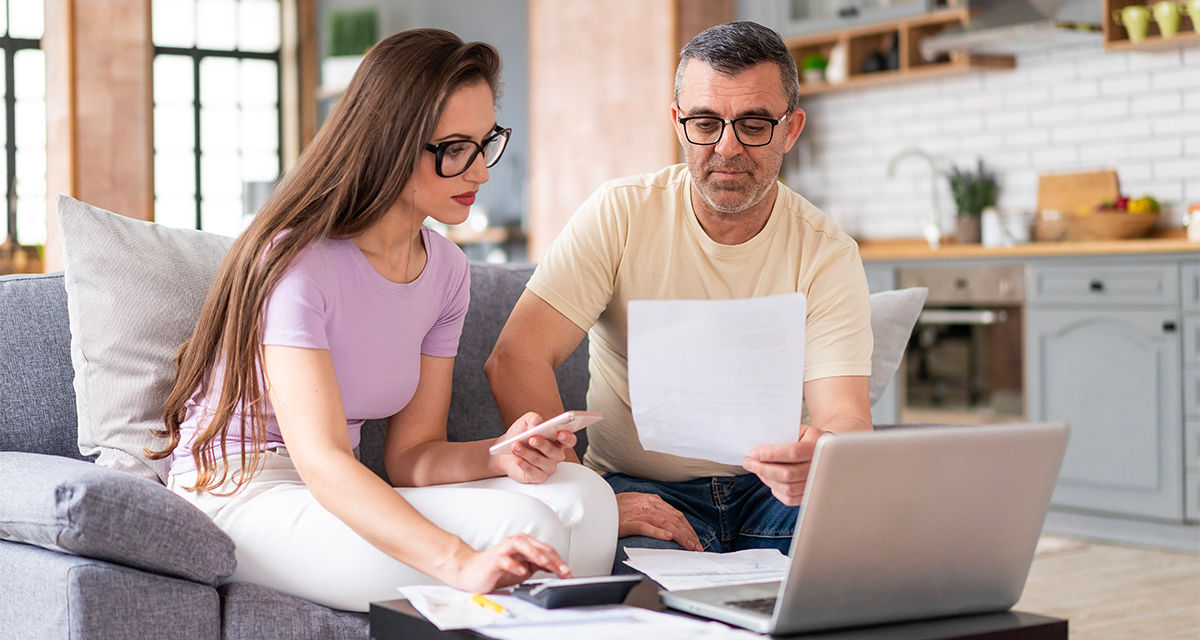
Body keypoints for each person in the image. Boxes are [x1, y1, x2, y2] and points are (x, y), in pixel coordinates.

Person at [148, 29, 617, 612]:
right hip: (245, 495)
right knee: (523, 527)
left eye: (485, 142)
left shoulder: (445, 269)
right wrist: (460, 561)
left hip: (343, 488)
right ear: (389, 141)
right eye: (454, 149)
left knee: (588, 500)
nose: (481, 173)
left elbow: (411, 456)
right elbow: (321, 461)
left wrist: (497, 453)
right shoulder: (298, 264)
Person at [485, 21, 872, 571]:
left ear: (791, 129)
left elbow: (847, 417)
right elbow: (515, 357)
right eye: (706, 123)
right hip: (638, 490)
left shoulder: (827, 252)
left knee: (864, 552)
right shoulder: (619, 214)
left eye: (755, 124)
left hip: (773, 497)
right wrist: (587, 500)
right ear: (677, 124)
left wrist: (823, 456)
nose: (728, 147)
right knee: (646, 597)